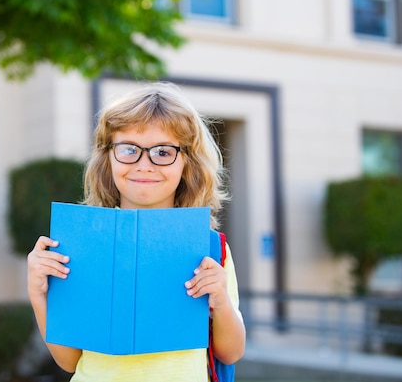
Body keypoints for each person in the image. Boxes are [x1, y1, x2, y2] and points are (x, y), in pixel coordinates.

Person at [27, 82, 245, 382]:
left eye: (163, 152)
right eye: (129, 149)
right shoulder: (81, 244)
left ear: (187, 162)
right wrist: (39, 295)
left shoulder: (208, 246)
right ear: (109, 157)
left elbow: (230, 353)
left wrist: (220, 300)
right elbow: (69, 361)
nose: (144, 165)